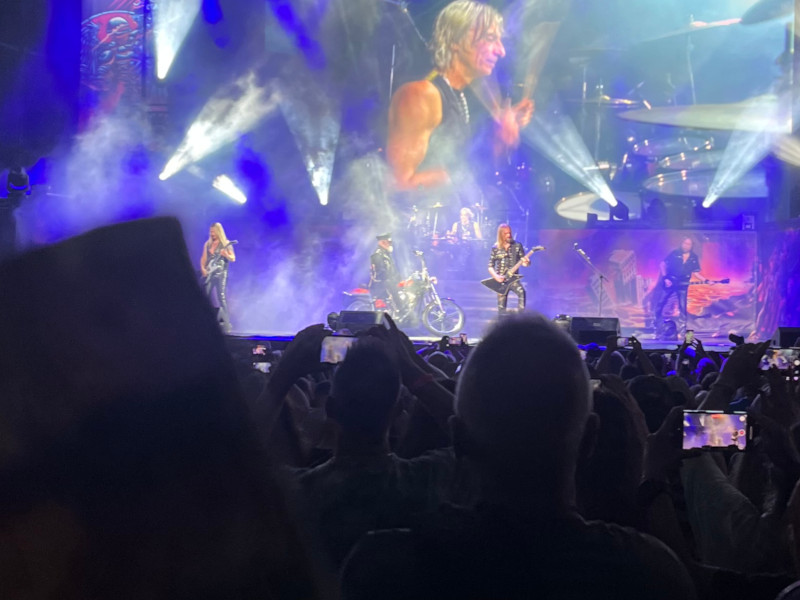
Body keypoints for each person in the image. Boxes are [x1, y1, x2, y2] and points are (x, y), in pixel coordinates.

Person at [341, 313, 697, 599]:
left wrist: (413, 372)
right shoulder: (647, 573)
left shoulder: (386, 569)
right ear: (590, 439)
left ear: (458, 440)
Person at [386, 0, 533, 212]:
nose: (501, 51)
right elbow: (399, 186)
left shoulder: (458, 97)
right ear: (456, 40)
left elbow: (474, 170)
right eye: (490, 38)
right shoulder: (422, 96)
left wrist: (500, 137)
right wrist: (456, 176)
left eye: (500, 41)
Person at [653, 237, 708, 336]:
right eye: (684, 243)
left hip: (683, 284)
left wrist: (706, 280)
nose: (686, 246)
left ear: (692, 246)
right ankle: (656, 324)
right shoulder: (675, 253)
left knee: (682, 307)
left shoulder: (693, 257)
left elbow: (696, 273)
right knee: (661, 302)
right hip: (670, 282)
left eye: (688, 244)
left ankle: (682, 329)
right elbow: (662, 264)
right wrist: (665, 278)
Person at [199, 222, 236, 328]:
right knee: (205, 296)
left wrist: (226, 255)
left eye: (214, 232)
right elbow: (203, 259)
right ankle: (204, 320)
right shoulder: (208, 244)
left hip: (221, 274)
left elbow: (233, 258)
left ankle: (227, 323)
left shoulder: (226, 244)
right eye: (211, 232)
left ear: (218, 232)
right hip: (210, 274)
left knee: (221, 297)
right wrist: (203, 268)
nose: (212, 234)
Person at [487, 223, 529, 315]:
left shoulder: (517, 246)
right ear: (501, 235)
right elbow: (490, 266)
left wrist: (527, 263)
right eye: (505, 233)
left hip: (514, 279)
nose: (509, 235)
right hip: (501, 281)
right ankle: (502, 321)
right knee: (501, 308)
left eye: (509, 233)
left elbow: (523, 262)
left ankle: (521, 317)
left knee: (522, 292)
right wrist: (496, 277)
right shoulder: (495, 247)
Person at [369, 233, 404, 315]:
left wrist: (399, 279)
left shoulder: (386, 254)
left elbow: (393, 269)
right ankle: (400, 311)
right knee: (393, 291)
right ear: (382, 242)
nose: (390, 244)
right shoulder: (377, 255)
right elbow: (381, 273)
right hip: (382, 284)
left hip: (389, 282)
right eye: (389, 242)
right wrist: (392, 281)